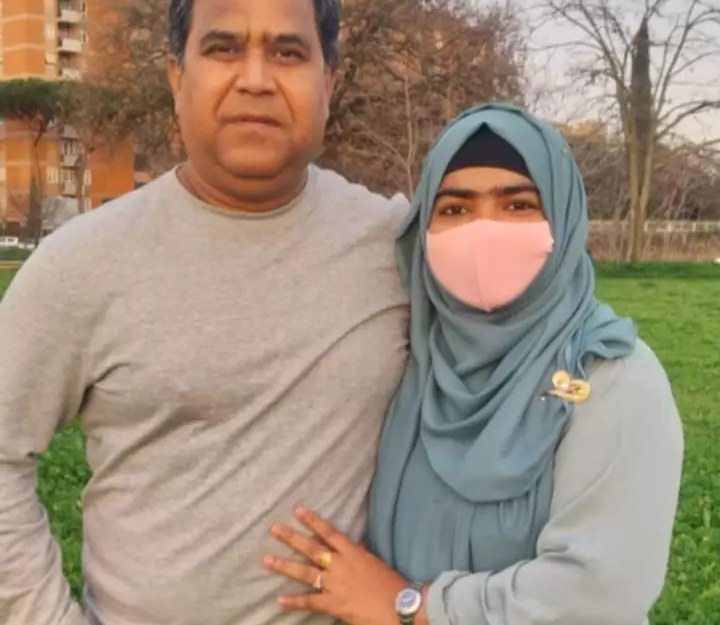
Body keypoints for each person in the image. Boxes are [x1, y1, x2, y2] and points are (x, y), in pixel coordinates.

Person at [0, 0, 410, 625]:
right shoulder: (83, 264)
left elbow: (537, 339)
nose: (256, 78)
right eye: (223, 48)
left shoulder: (398, 246)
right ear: (175, 76)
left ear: (329, 82)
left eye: (288, 52)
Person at [264, 103, 684, 625]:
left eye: (518, 204)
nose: (484, 229)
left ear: (563, 218)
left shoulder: (613, 376)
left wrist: (411, 606)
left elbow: (599, 592)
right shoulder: (416, 364)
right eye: (455, 209)